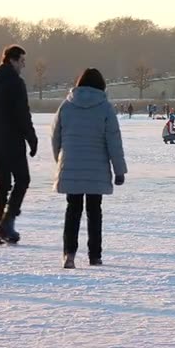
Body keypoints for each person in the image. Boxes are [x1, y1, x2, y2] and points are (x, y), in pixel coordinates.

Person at [52, 68, 127, 269]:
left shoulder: (66, 106)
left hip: (71, 165)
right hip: (97, 168)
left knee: (72, 210)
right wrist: (119, 170)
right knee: (94, 211)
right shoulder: (105, 108)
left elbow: (55, 137)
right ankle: (95, 256)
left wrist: (60, 162)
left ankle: (69, 254)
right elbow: (114, 141)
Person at [0, 45, 38, 245]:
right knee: (22, 179)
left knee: (3, 182)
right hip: (11, 139)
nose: (23, 66)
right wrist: (32, 138)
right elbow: (22, 112)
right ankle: (6, 223)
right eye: (22, 61)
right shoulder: (15, 82)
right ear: (12, 60)